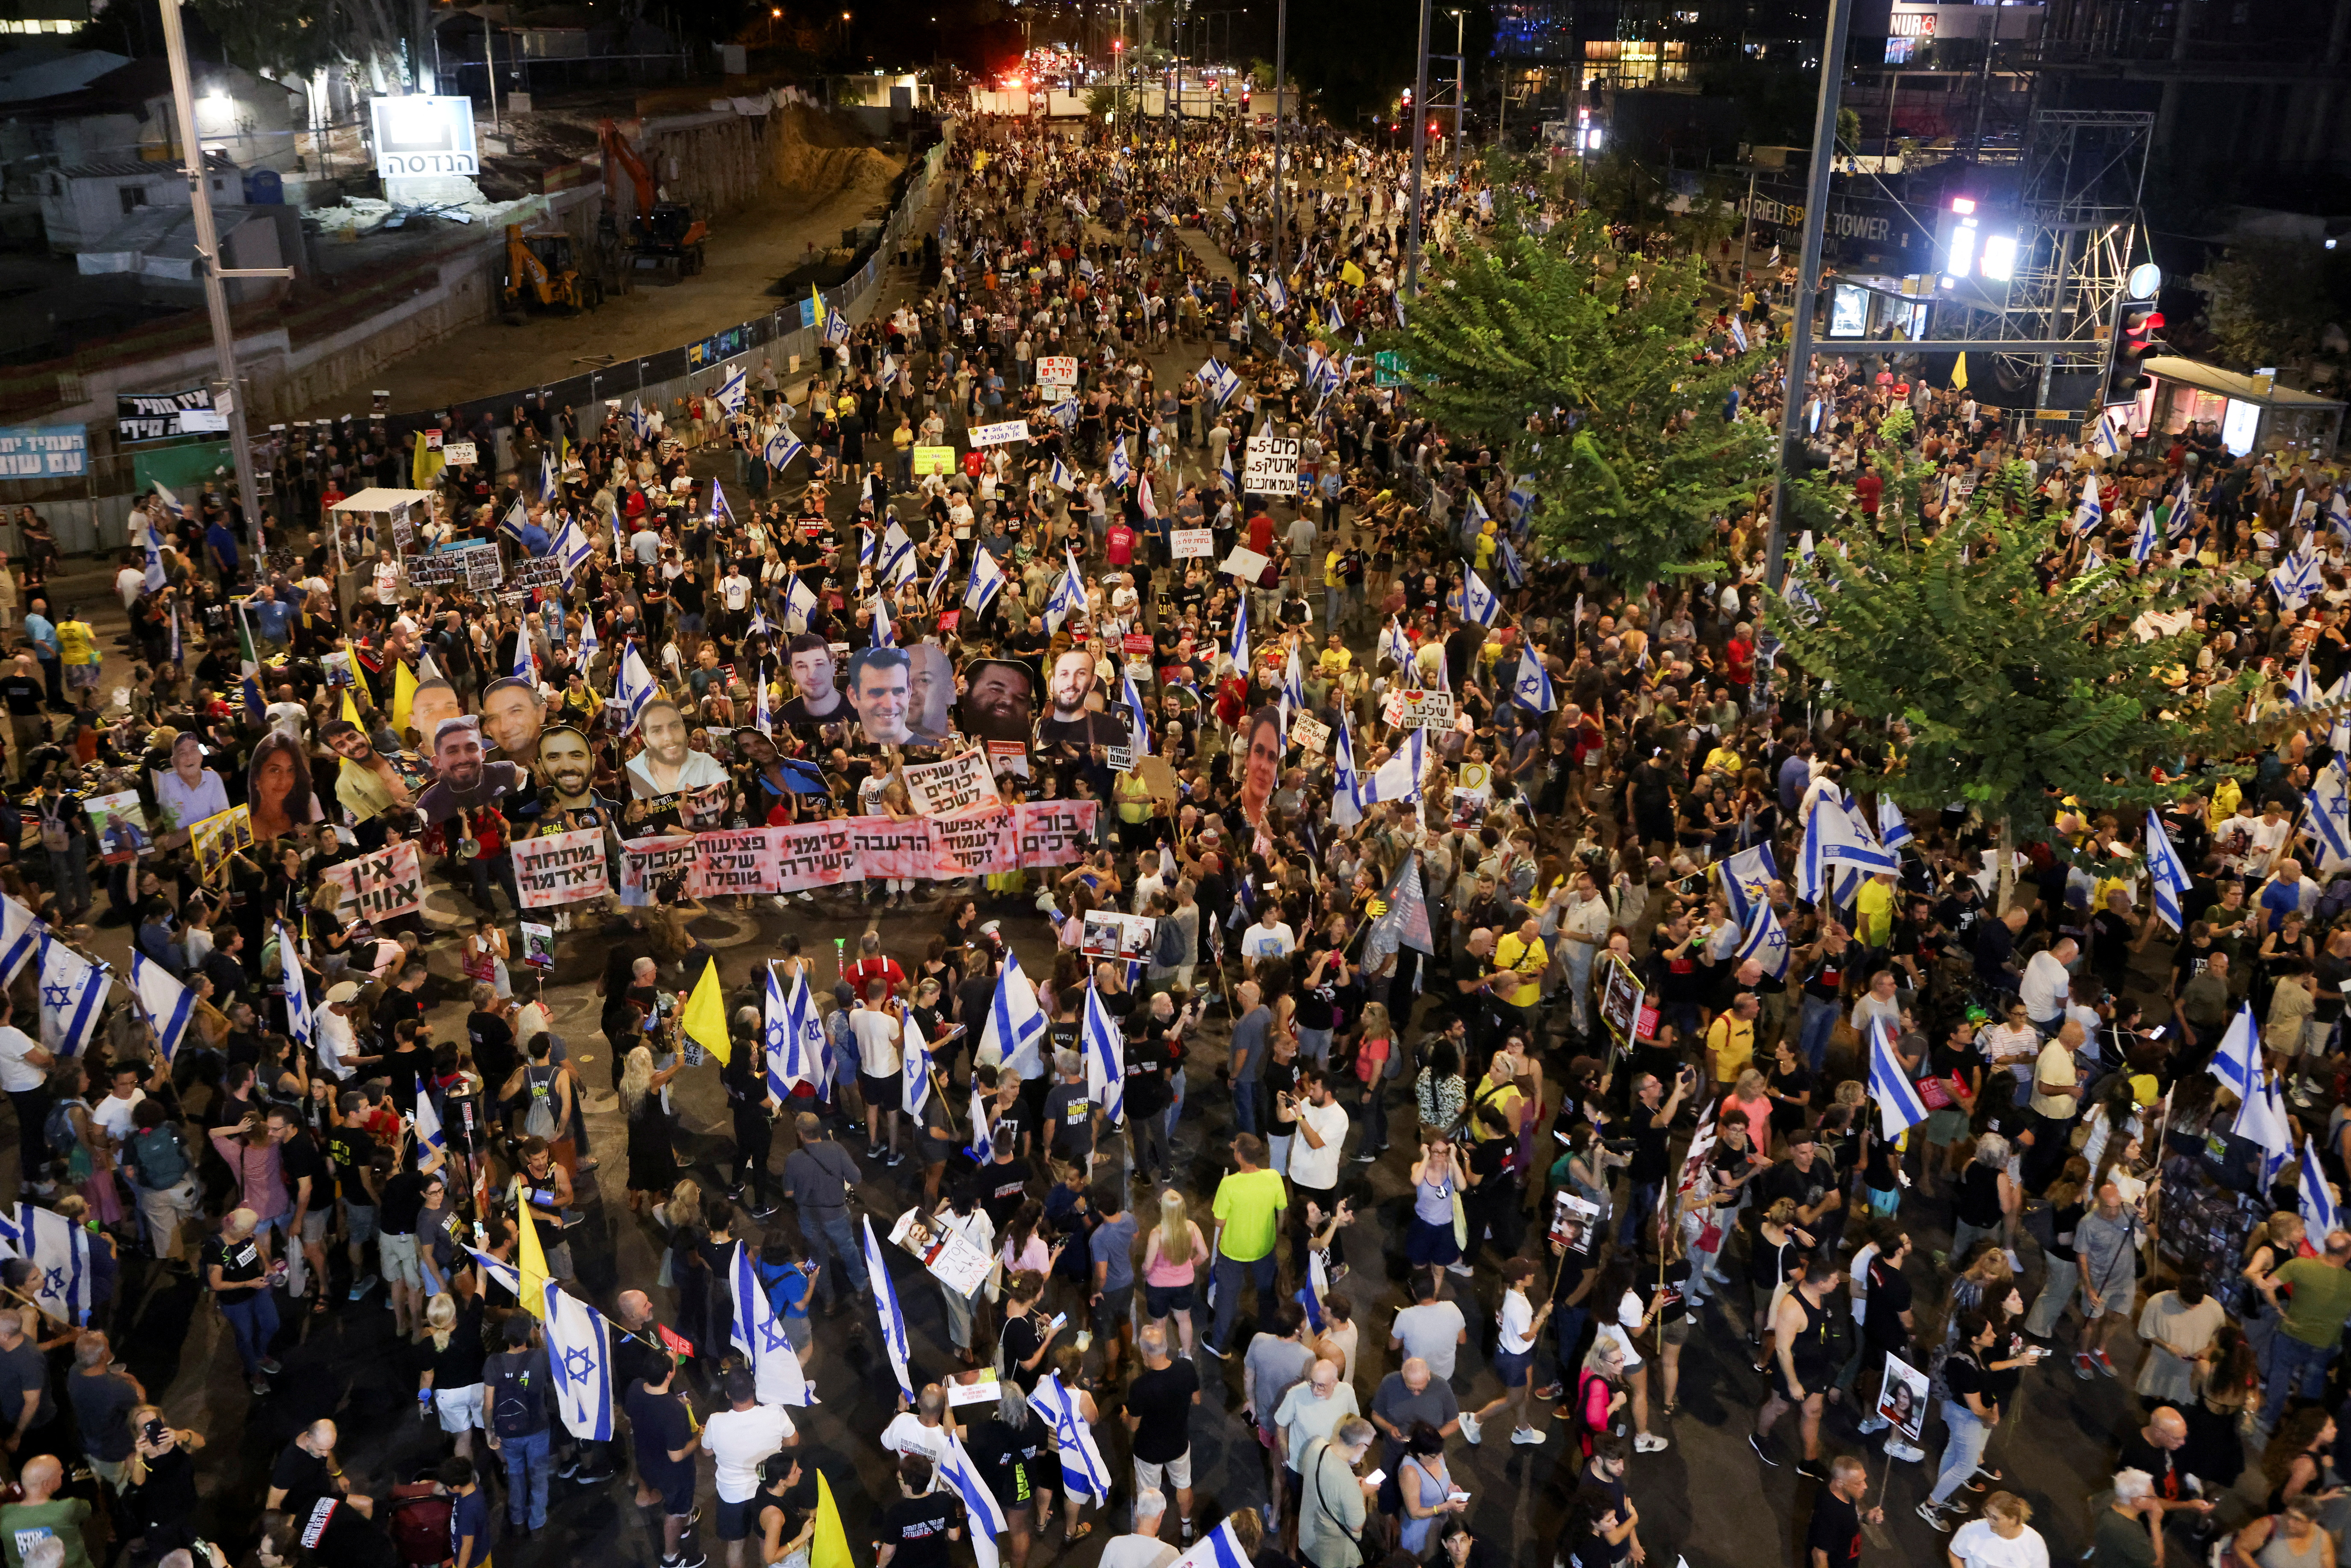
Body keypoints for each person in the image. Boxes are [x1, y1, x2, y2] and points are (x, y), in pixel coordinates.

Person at [1204, 1133, 1286, 1358]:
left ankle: (1220, 1345)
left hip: (1233, 1251)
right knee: (1267, 1296)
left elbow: (1219, 1221)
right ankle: (1272, 1340)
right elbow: (1281, 1212)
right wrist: (1274, 1236)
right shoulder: (1273, 1178)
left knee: (1227, 1298)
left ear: (1239, 1156)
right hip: (1264, 1248)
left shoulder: (1229, 1184)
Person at [1461, 1256, 1550, 1445]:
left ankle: (1523, 1429)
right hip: (1513, 1359)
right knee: (1513, 1399)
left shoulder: (1511, 1292)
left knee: (1524, 1393)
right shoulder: (1515, 1306)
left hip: (1519, 1354)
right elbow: (1526, 1335)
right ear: (1519, 1280)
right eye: (1529, 1273)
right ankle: (1475, 1420)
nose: (1533, 1274)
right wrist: (1542, 1316)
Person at [1123, 1323, 1200, 1541]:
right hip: (1178, 1444)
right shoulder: (1186, 1369)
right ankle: (1186, 1530)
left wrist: (1124, 1416)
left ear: (1146, 1354)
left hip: (1149, 1451)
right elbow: (1196, 1399)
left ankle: (1149, 1541)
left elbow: (1133, 1426)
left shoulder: (1140, 1387)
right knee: (1184, 1485)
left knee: (1148, 1496)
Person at [1293, 1416, 1375, 1568]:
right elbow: (1356, 1526)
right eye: (1367, 1447)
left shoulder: (1317, 1446)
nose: (1365, 1453)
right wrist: (1362, 1493)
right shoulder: (1348, 1483)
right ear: (1360, 1445)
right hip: (1328, 1555)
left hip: (1306, 1538)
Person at [1805, 1455, 1883, 1568]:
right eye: (1858, 1483)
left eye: (1864, 1480)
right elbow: (1819, 1554)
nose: (1865, 1486)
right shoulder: (1831, 1514)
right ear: (1840, 1483)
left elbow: (1849, 1520)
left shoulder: (1844, 1494)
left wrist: (1866, 1517)